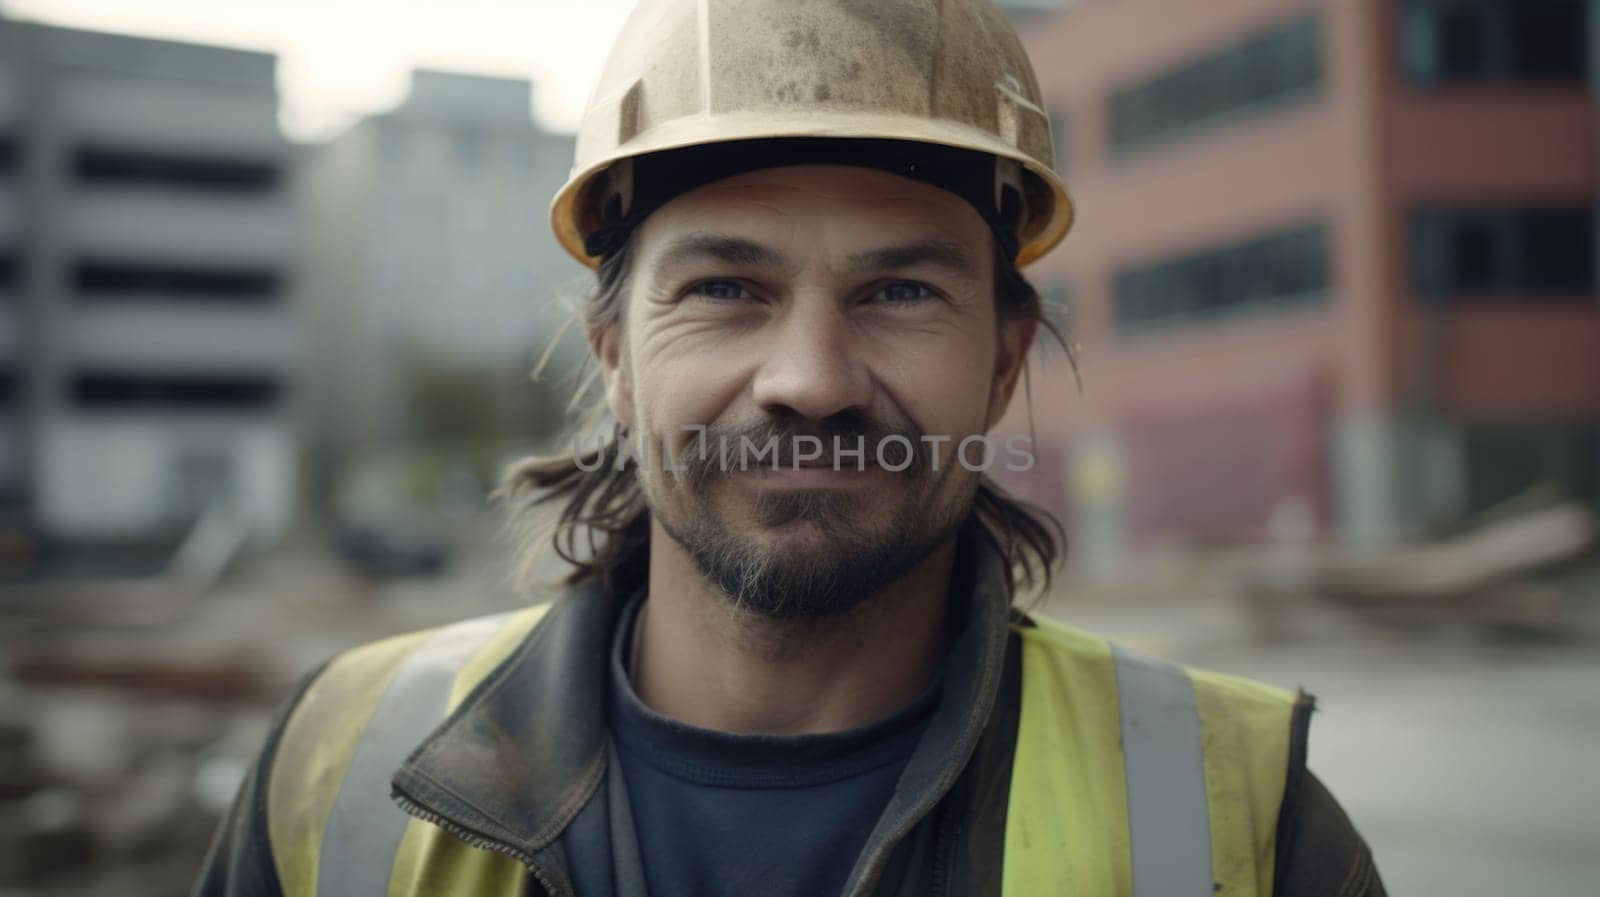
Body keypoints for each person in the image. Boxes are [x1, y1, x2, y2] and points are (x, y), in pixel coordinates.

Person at [195, 1, 1386, 895]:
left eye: (902, 292)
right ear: (613, 354)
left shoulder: (1237, 813)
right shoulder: (343, 769)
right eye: (724, 286)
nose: (810, 382)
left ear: (1004, 360)